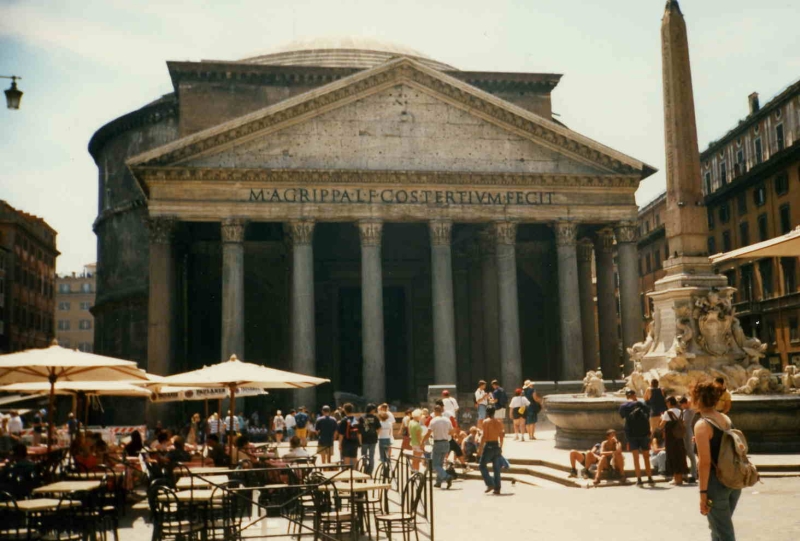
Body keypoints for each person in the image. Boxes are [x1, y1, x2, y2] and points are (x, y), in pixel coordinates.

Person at [693, 380, 742, 540]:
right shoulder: (725, 418)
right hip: (734, 480)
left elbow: (704, 463)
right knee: (717, 529)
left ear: (697, 399)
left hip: (716, 483)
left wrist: (703, 493)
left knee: (724, 532)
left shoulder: (702, 425)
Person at [619, 389, 655, 486]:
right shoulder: (641, 404)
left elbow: (622, 416)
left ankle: (639, 479)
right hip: (643, 433)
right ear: (635, 395)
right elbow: (649, 414)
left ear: (627, 397)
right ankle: (650, 478)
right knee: (646, 457)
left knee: (635, 458)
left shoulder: (623, 406)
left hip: (631, 434)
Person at [660, 395, 688, 486]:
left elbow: (661, 425)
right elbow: (682, 423)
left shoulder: (667, 412)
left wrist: (661, 419)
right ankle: (679, 478)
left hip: (670, 437)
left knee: (672, 455)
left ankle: (676, 478)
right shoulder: (680, 412)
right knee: (679, 455)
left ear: (669, 403)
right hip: (679, 437)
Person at [478, 405, 504, 494]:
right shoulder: (499, 422)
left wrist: (480, 449)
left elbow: (484, 436)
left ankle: (490, 483)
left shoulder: (486, 422)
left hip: (489, 445)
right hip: (496, 444)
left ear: (487, 413)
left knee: (482, 465)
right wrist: (501, 446)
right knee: (496, 468)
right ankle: (497, 487)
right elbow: (501, 435)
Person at [428, 404, 454, 489]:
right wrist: (444, 433)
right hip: (446, 442)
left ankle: (447, 477)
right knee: (440, 464)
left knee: (435, 465)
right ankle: (438, 482)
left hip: (438, 443)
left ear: (435, 411)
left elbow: (428, 433)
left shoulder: (433, 421)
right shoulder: (447, 420)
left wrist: (422, 441)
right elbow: (452, 431)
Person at [680, 395, 699, 483]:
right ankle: (685, 473)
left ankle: (694, 474)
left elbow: (695, 405)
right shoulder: (684, 411)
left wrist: (689, 401)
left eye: (683, 404)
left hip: (688, 431)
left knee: (690, 452)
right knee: (684, 452)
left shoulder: (691, 410)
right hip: (683, 432)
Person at [337, 403, 361, 467]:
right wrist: (359, 442)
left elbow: (341, 434)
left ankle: (347, 472)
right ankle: (356, 472)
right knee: (354, 457)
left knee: (346, 457)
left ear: (344, 410)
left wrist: (339, 444)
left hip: (346, 441)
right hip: (354, 441)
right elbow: (358, 432)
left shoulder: (344, 420)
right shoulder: (355, 419)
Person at [358, 404, 380, 474]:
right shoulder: (375, 418)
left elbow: (359, 431)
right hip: (373, 439)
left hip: (364, 439)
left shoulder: (362, 418)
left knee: (364, 456)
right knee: (371, 456)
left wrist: (360, 441)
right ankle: (370, 472)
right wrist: (376, 435)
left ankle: (365, 469)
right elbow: (379, 428)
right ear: (372, 410)